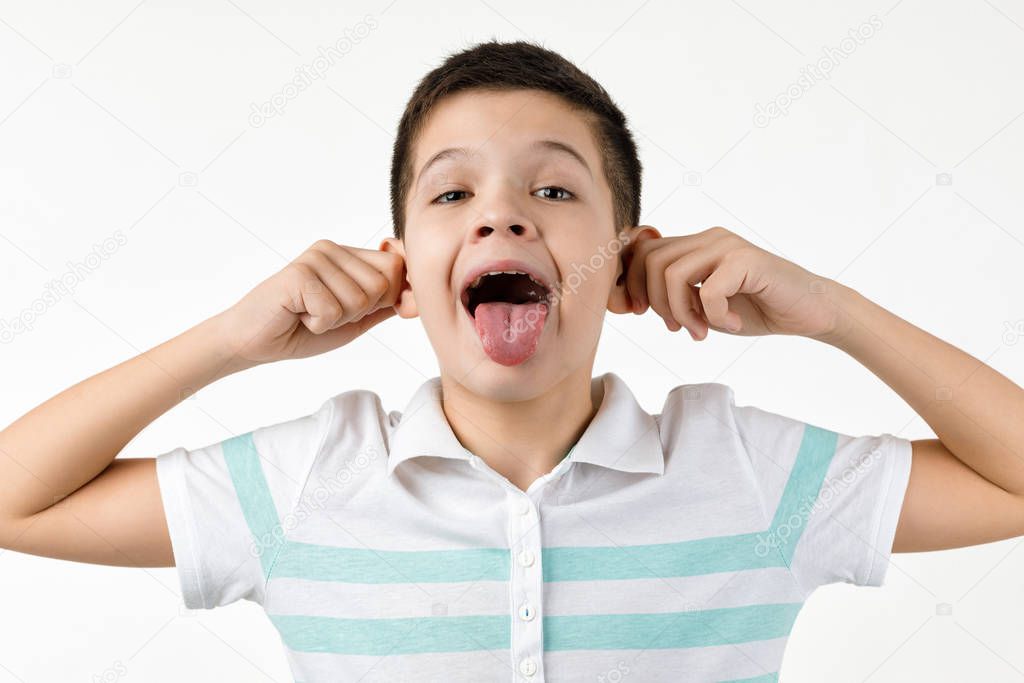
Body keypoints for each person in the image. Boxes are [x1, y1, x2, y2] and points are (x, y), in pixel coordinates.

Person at [2, 40, 1022, 683]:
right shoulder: (307, 480)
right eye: (451, 194)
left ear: (626, 259)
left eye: (553, 189)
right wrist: (227, 340)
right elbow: (14, 501)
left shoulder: (746, 472)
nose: (500, 210)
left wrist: (833, 313)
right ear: (401, 271)